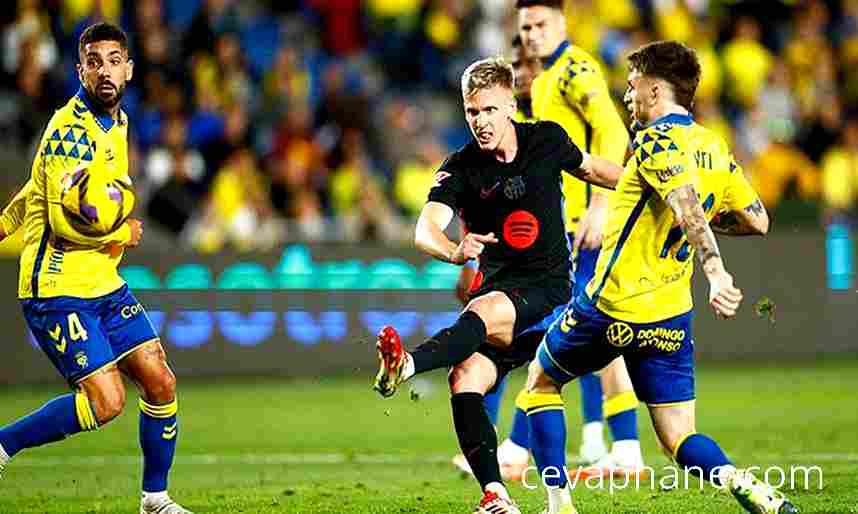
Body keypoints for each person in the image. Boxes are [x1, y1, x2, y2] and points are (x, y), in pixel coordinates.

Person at [523, 40, 798, 514]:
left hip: (612, 306)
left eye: (631, 88)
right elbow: (756, 219)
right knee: (678, 439)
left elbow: (686, 205)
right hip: (671, 317)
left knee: (541, 381)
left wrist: (715, 270)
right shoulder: (713, 146)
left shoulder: (654, 141)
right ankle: (744, 483)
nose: (627, 98)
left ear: (654, 90)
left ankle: (558, 506)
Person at [372, 56, 623, 514]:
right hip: (500, 300)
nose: (481, 122)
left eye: (489, 110)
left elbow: (592, 169)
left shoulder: (545, 140)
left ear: (510, 105)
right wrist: (451, 250)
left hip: (549, 293)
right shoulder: (461, 168)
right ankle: (496, 495)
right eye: (472, 112)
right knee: (464, 377)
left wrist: (644, 188)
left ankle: (408, 364)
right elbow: (425, 228)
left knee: (485, 314)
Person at [0, 23, 193, 514]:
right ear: (79, 70)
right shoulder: (70, 131)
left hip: (102, 283)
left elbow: (35, 188)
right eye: (93, 61)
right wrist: (118, 233)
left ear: (128, 68)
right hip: (57, 285)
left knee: (160, 381)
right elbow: (64, 225)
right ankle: (4, 444)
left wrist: (3, 222)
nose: (104, 70)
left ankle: (156, 500)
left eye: (113, 60)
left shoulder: (119, 123)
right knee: (105, 404)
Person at [508, 0, 645, 477]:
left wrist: (601, 206)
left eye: (542, 23)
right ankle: (616, 444)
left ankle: (519, 446)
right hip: (561, 224)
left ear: (562, 23)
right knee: (587, 331)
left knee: (572, 330)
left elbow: (610, 129)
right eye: (526, 27)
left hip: (584, 225)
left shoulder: (575, 69)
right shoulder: (544, 78)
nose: (533, 34)